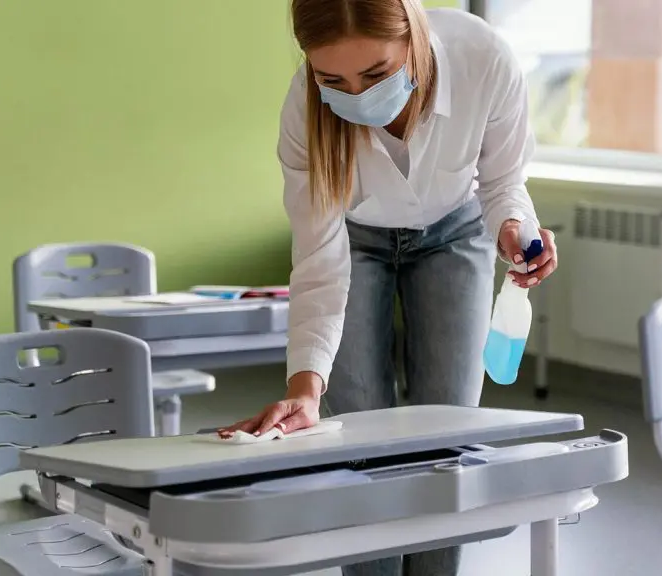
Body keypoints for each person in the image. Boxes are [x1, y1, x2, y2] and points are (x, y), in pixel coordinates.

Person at [220, 1, 558, 574]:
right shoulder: (304, 113)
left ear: (414, 39)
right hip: (355, 240)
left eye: (375, 74)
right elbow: (319, 261)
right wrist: (305, 388)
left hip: (457, 231)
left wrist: (512, 227)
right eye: (333, 81)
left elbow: (502, 180)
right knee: (355, 432)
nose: (356, 96)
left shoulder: (484, 58)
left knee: (446, 436)